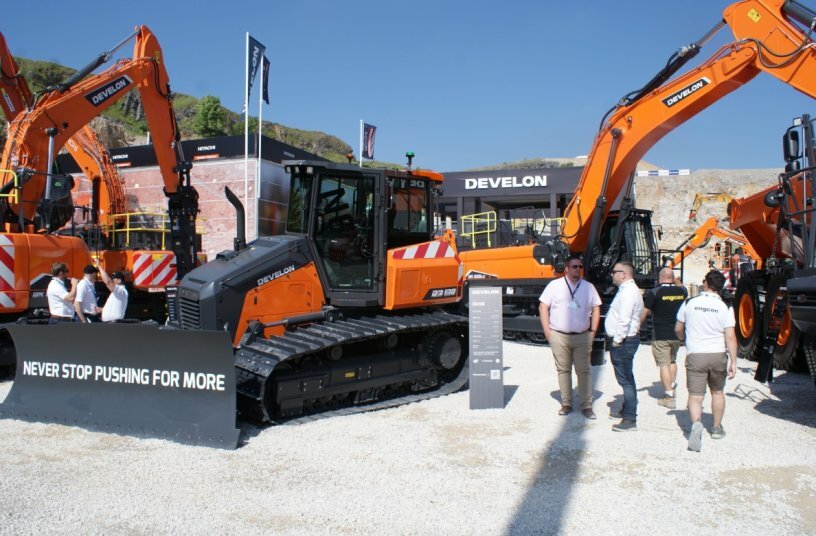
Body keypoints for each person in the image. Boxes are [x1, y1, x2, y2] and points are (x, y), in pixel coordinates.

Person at [675, 270, 737, 452]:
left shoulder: (690, 303)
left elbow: (678, 328)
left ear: (705, 283)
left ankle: (696, 424)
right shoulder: (725, 306)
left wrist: (683, 339)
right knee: (717, 392)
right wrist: (733, 361)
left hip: (696, 353)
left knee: (695, 396)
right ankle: (716, 428)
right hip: (717, 354)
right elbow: (730, 336)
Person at [539, 254, 602, 419]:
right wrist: (547, 331)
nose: (578, 269)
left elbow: (596, 307)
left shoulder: (588, 287)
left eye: (580, 267)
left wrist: (593, 331)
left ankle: (587, 405)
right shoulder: (554, 286)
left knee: (584, 370)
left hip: (582, 336)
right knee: (563, 370)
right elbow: (543, 306)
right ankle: (566, 403)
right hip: (559, 336)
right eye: (575, 267)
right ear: (566, 269)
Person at [640, 267, 687, 409]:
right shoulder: (682, 291)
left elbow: (645, 312)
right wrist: (675, 280)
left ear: (660, 278)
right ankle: (671, 386)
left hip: (660, 334)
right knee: (672, 361)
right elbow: (681, 286)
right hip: (677, 334)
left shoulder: (654, 292)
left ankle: (669, 396)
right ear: (672, 278)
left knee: (664, 364)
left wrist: (636, 326)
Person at [605, 261, 644, 432]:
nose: (611, 274)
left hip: (624, 341)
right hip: (626, 340)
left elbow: (624, 319)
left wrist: (617, 340)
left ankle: (630, 419)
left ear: (623, 274)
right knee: (627, 378)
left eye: (614, 272)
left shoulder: (628, 292)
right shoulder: (628, 290)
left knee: (626, 381)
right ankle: (627, 410)